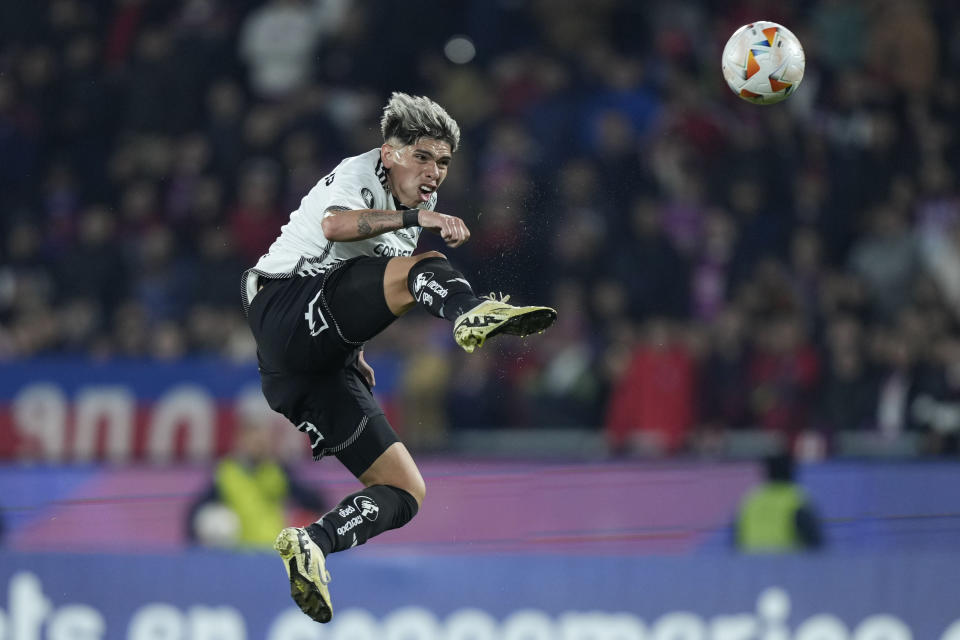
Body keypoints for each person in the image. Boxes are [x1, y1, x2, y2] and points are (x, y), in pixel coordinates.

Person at [241, 92, 557, 623]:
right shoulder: (358, 173)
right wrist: (418, 217)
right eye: (424, 157)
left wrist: (354, 348)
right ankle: (470, 311)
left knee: (406, 489)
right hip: (282, 304)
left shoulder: (405, 222)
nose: (435, 172)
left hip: (307, 366)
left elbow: (365, 284)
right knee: (423, 265)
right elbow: (336, 229)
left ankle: (312, 544)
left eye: (444, 163)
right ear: (390, 154)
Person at [186, 415, 327, 549]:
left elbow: (315, 501)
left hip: (272, 552)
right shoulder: (226, 473)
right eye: (253, 441)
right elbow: (196, 512)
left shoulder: (278, 471)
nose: (258, 446)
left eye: (262, 442)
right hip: (238, 555)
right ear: (241, 441)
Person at [734, 451, 824, 553]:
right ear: (792, 472)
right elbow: (816, 545)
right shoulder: (796, 500)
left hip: (751, 566)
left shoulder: (750, 501)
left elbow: (735, 543)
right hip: (789, 565)